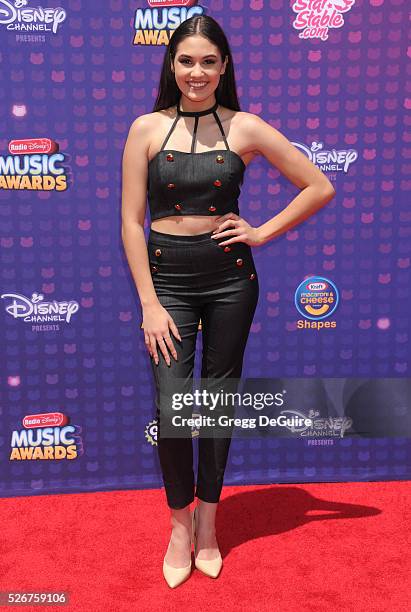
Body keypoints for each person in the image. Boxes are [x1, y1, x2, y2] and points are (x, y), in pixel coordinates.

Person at [121, 15, 335, 588]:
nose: (197, 72)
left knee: (216, 404)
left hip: (230, 280)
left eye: (208, 62)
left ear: (224, 67)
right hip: (166, 281)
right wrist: (148, 301)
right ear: (172, 64)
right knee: (172, 410)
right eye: (187, 61)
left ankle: (209, 523)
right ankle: (179, 526)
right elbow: (130, 221)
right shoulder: (145, 128)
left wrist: (261, 232)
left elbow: (319, 184)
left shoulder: (245, 126)